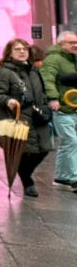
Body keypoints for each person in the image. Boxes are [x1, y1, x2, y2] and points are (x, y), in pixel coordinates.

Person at [0, 38, 52, 198]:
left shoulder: (33, 70)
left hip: (38, 116)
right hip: (19, 118)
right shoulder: (5, 72)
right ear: (10, 53)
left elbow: (41, 92)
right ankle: (27, 182)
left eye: (24, 49)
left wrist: (46, 104)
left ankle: (25, 175)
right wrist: (8, 100)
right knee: (23, 151)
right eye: (17, 49)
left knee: (44, 149)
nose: (21, 52)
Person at [40, 28, 77, 188]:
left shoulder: (73, 58)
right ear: (61, 43)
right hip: (62, 106)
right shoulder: (53, 59)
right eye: (71, 42)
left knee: (67, 143)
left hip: (73, 106)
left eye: (76, 42)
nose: (75, 45)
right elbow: (47, 79)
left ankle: (62, 177)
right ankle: (75, 178)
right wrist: (53, 98)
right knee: (71, 141)